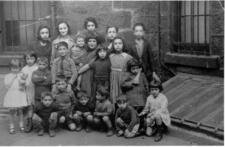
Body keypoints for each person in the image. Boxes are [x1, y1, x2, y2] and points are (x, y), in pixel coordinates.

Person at [3, 59, 28, 134]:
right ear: (10, 68)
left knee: (20, 111)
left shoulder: (21, 75)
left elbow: (25, 84)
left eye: (17, 68)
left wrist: (22, 83)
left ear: (19, 68)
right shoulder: (7, 76)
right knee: (11, 112)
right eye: (13, 68)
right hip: (12, 94)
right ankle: (11, 126)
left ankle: (21, 125)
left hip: (20, 94)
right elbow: (7, 86)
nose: (15, 70)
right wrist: (13, 78)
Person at [109, 36, 133, 105]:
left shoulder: (127, 56)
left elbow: (134, 68)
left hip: (122, 79)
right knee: (113, 95)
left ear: (123, 45)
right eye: (115, 44)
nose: (118, 45)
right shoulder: (110, 56)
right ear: (113, 45)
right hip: (113, 79)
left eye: (120, 43)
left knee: (122, 94)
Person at [21, 51, 38, 132]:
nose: (29, 60)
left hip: (36, 89)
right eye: (27, 59)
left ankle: (38, 121)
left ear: (35, 59)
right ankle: (29, 121)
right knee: (29, 106)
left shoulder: (37, 67)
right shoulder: (24, 69)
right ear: (25, 60)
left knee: (37, 105)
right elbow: (21, 79)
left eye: (32, 58)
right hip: (28, 90)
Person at [79, 32, 99, 99]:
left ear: (97, 43)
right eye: (90, 41)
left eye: (94, 41)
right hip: (85, 75)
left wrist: (78, 72)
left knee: (91, 93)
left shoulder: (97, 52)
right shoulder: (86, 51)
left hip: (92, 75)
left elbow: (89, 65)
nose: (92, 43)